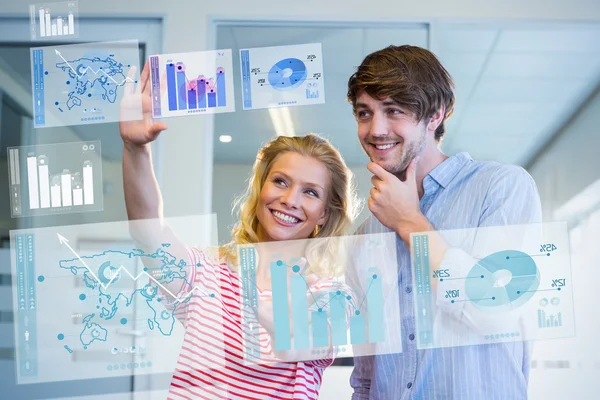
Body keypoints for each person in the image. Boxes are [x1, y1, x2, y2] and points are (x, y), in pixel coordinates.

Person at [119, 63, 359, 399]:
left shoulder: (330, 293)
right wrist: (135, 150)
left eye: (310, 192)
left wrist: (277, 317)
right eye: (280, 181)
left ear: (324, 214)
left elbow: (307, 343)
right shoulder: (207, 273)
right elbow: (148, 233)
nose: (289, 200)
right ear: (261, 190)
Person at [347, 45, 542, 399]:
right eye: (364, 112)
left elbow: (495, 309)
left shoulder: (501, 188)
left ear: (435, 116)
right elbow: (366, 375)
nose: (375, 129)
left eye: (393, 110)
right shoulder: (366, 233)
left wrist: (409, 222)